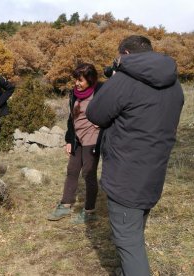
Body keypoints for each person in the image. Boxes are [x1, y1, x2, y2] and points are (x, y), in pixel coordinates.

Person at [86, 35, 184, 275]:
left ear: (125, 55)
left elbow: (96, 114)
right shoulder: (174, 83)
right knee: (135, 229)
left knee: (129, 244)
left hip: (126, 175)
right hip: (154, 171)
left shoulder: (125, 81)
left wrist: (116, 79)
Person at [47, 63, 104, 223]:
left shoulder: (101, 91)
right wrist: (69, 139)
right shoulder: (75, 93)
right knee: (72, 170)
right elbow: (71, 118)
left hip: (92, 139)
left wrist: (104, 122)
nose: (77, 83)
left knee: (88, 173)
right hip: (77, 139)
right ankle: (65, 206)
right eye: (76, 80)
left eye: (80, 80)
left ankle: (89, 211)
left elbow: (113, 109)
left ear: (90, 79)